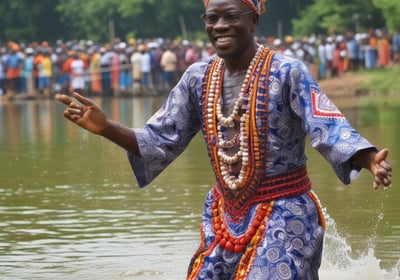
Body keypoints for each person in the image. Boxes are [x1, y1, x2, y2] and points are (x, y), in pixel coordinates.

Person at [56, 0, 392, 279]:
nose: (219, 26)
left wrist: (368, 158)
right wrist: (106, 128)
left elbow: (328, 127)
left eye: (230, 17)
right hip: (223, 214)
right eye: (212, 18)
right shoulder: (198, 78)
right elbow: (160, 139)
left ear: (254, 18)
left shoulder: (287, 71)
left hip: (285, 211)